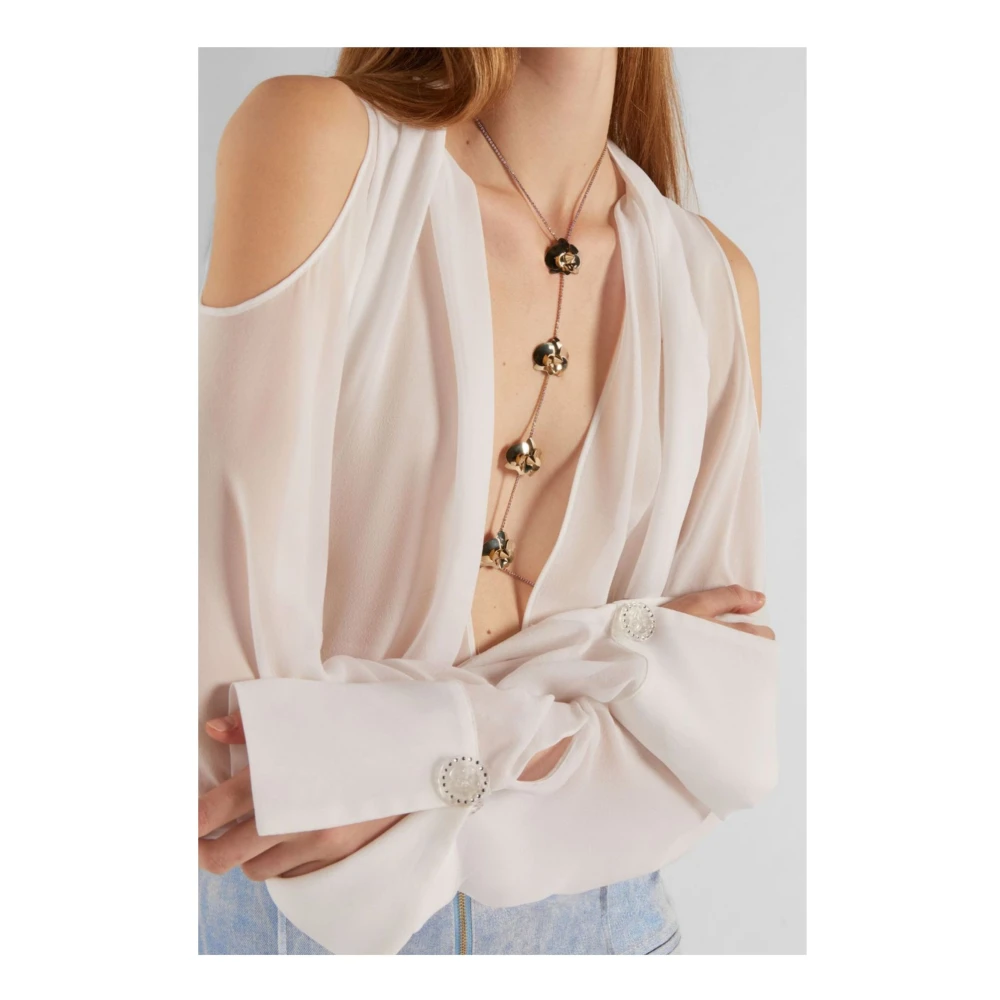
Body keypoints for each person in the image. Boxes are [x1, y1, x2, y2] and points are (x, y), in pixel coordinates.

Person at [198, 47, 779, 956]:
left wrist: (383, 762)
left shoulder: (713, 286)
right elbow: (233, 746)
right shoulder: (318, 146)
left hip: (611, 934)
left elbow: (721, 736)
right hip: (311, 928)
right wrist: (607, 669)